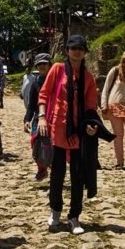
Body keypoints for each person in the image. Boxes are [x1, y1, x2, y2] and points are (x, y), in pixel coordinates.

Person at [37, 35, 99, 235]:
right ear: (67, 50)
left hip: (78, 132)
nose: (77, 51)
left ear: (85, 52)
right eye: (73, 48)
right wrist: (41, 117)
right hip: (57, 128)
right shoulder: (57, 69)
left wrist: (91, 125)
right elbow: (44, 94)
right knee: (57, 174)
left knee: (78, 176)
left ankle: (74, 216)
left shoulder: (88, 78)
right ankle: (55, 210)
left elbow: (90, 107)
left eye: (81, 48)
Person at [23, 52, 53, 182]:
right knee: (35, 142)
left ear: (49, 65)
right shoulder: (35, 84)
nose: (42, 66)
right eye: (39, 64)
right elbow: (31, 105)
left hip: (53, 117)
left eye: (44, 64)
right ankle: (42, 168)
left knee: (52, 145)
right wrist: (26, 120)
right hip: (37, 118)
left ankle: (54, 167)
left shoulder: (56, 82)